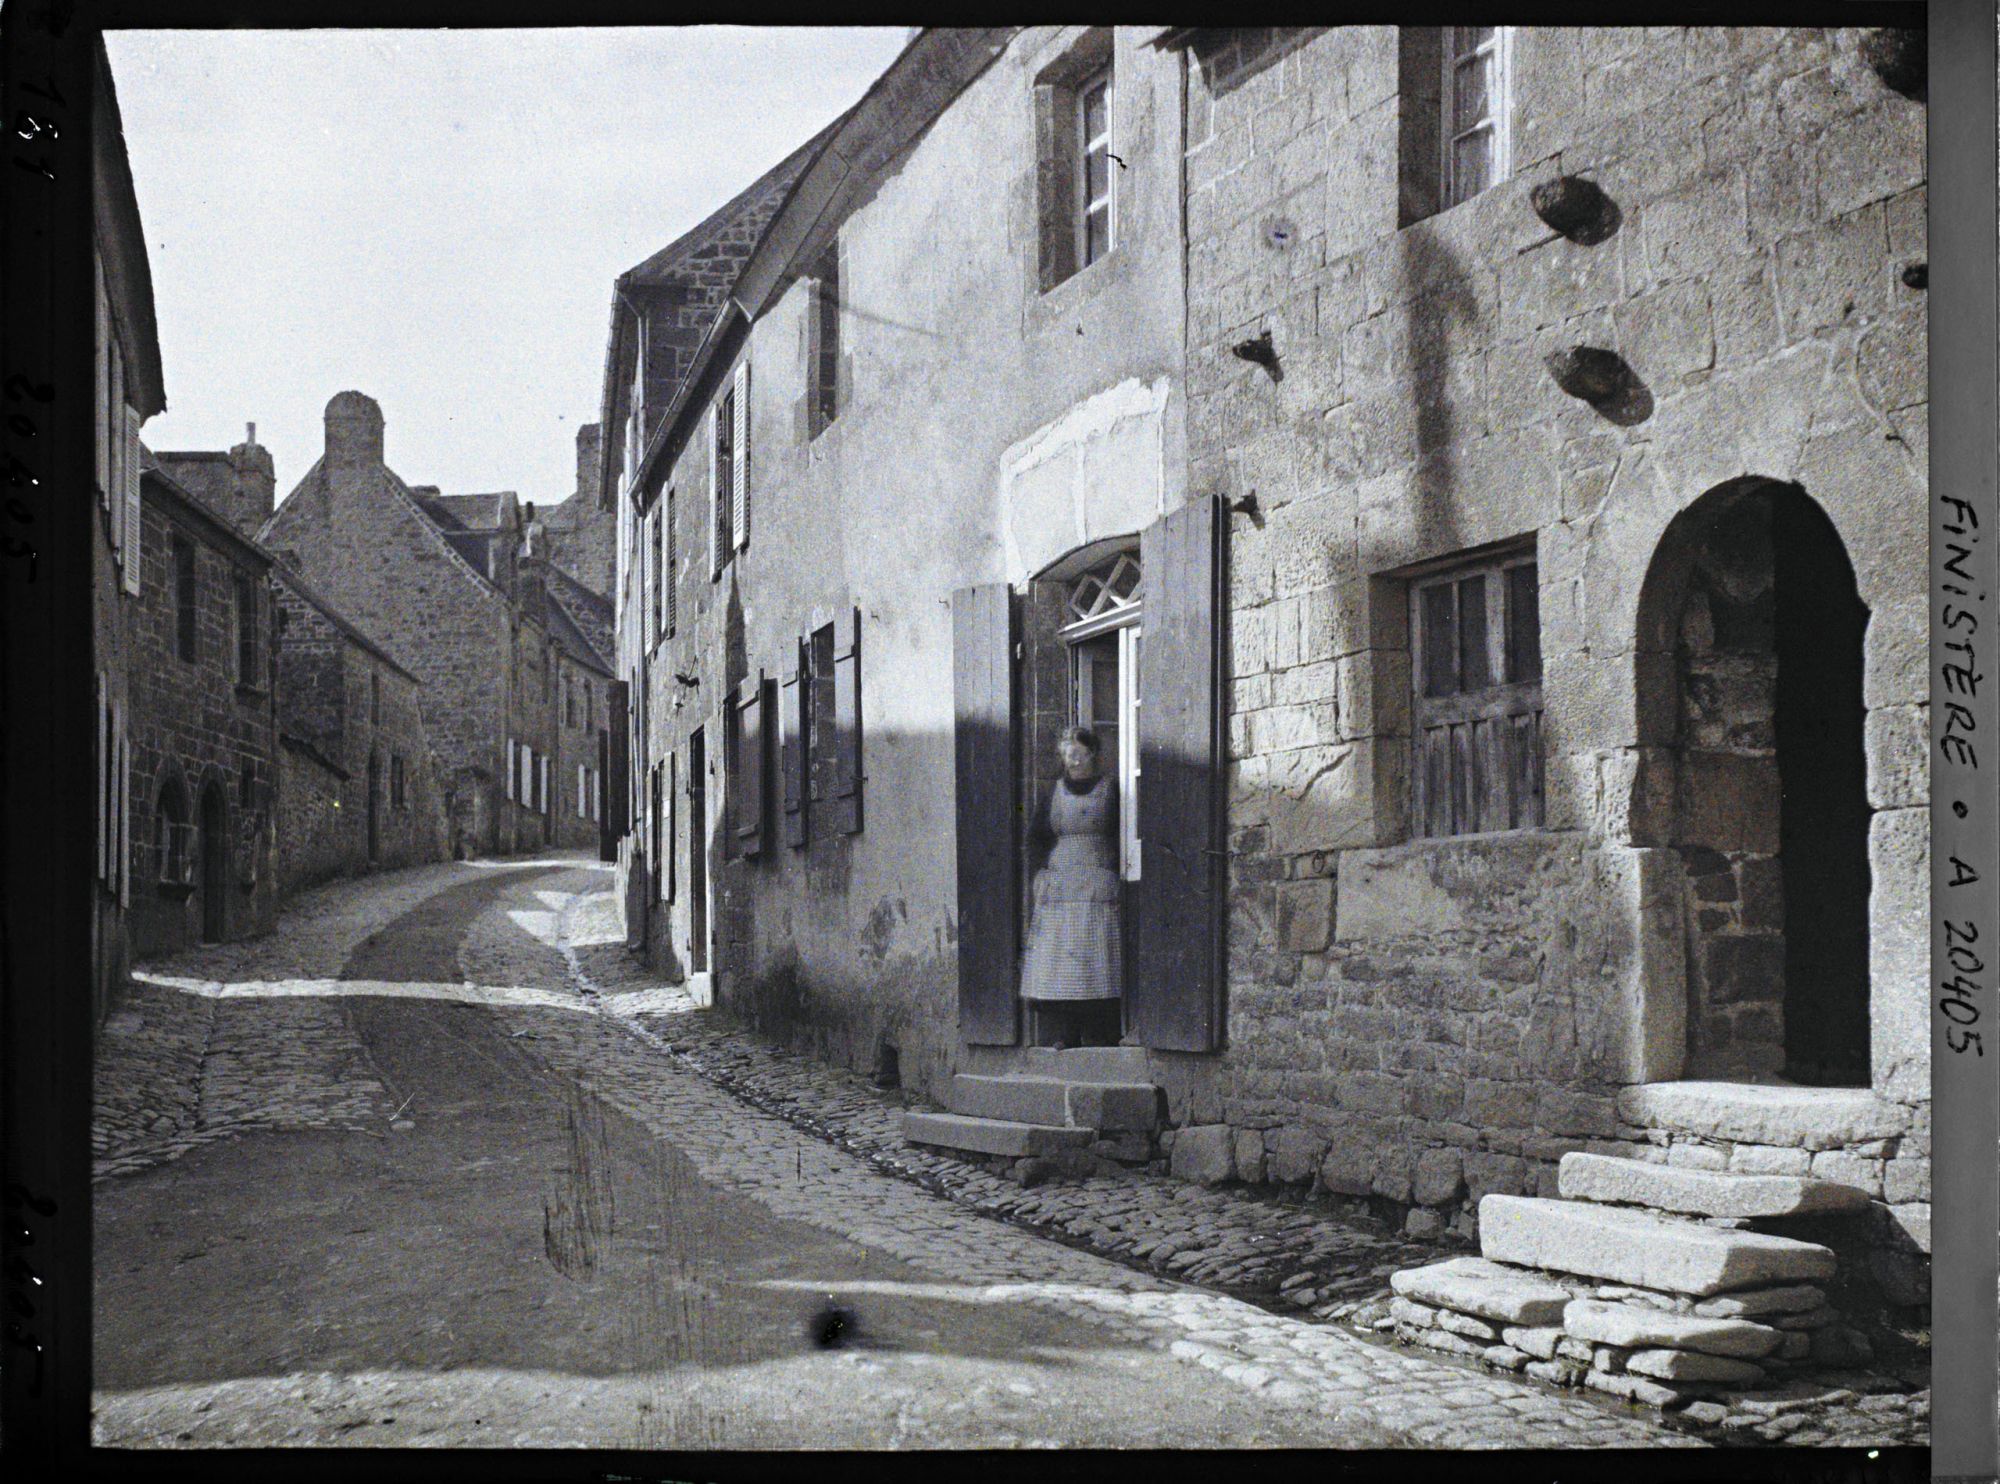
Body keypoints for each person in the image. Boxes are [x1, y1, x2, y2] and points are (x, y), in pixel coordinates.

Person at [1019, 725, 1122, 1047]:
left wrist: (1116, 870)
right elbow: (1036, 837)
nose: (1074, 762)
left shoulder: (1110, 790)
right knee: (1064, 960)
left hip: (1097, 881)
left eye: (1079, 754)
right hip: (1062, 883)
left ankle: (1100, 1034)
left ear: (1093, 754)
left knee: (1095, 958)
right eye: (1068, 755)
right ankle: (1067, 1034)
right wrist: (1040, 873)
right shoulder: (1055, 792)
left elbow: (1122, 835)